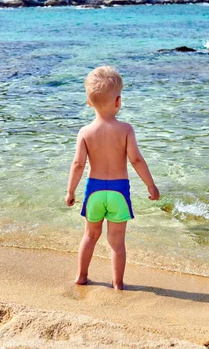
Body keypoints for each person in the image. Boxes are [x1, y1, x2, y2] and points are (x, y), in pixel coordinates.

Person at [65, 66, 160, 290]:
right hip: (118, 191)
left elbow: (78, 164)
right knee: (117, 242)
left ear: (89, 103)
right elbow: (136, 160)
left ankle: (81, 276)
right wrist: (151, 185)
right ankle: (117, 283)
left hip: (94, 191)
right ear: (118, 101)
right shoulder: (126, 129)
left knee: (90, 235)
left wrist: (71, 191)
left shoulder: (85, 132)